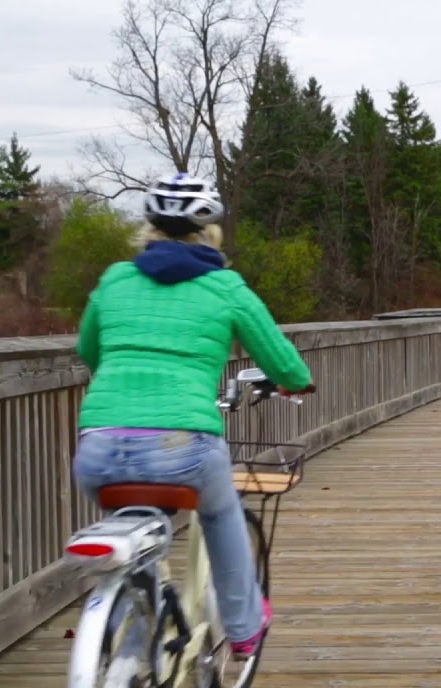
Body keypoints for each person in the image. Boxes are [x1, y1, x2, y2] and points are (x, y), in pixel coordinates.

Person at [73, 173, 315, 657]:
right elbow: (283, 362)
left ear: (151, 229)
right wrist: (294, 381)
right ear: (209, 234)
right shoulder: (224, 286)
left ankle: (130, 648)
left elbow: (89, 349)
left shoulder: (116, 279)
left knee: (140, 542)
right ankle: (245, 630)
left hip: (98, 446)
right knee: (222, 511)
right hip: (182, 445)